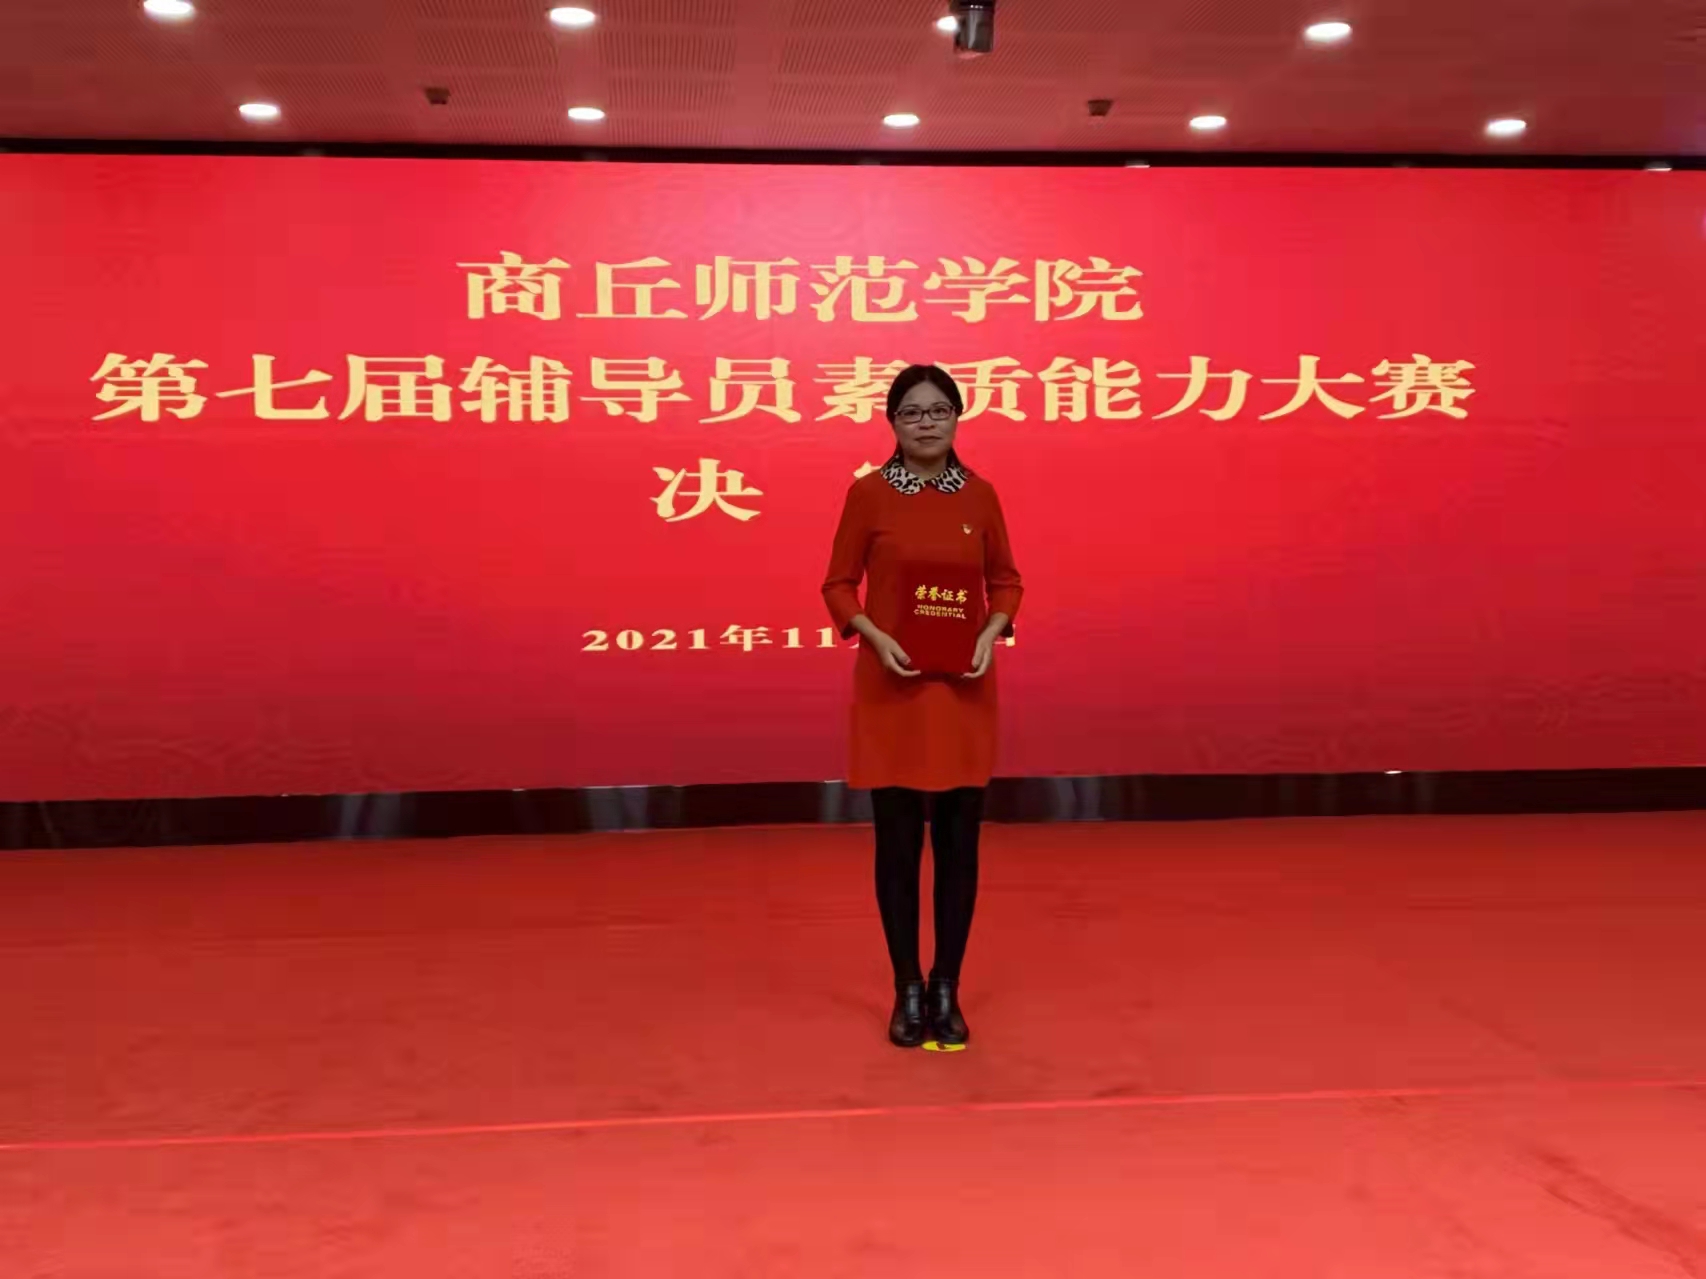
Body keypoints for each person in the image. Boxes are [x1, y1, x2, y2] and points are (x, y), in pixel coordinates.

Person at [822, 365, 1023, 1049]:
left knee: (960, 847)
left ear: (958, 417)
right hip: (893, 690)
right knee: (899, 846)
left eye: (939, 410)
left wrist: (993, 630)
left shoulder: (981, 495)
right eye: (911, 412)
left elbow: (1006, 581)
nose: (926, 422)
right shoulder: (869, 494)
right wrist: (872, 634)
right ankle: (907, 986)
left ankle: (947, 986)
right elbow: (838, 584)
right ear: (892, 423)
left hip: (963, 691)